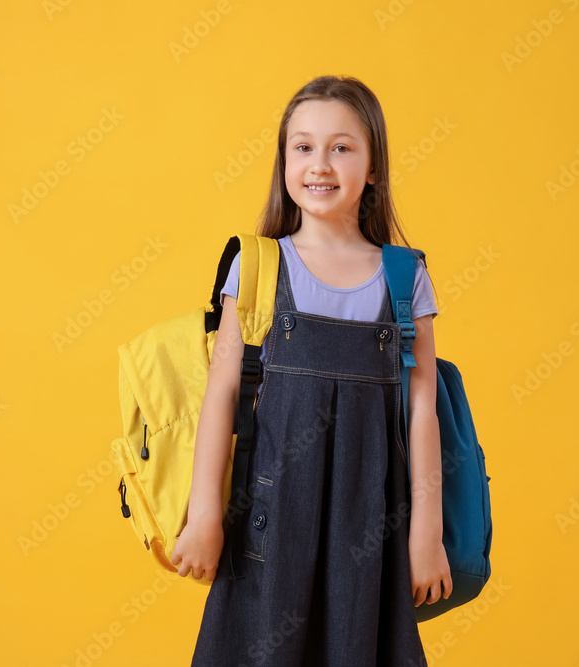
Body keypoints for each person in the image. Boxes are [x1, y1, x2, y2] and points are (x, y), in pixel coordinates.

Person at [172, 74, 450, 666]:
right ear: (283, 161)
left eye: (341, 147)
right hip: (267, 526)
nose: (319, 164)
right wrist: (203, 516)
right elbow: (222, 394)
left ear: (373, 167)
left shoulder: (405, 279)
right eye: (302, 146)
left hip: (369, 525)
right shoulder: (257, 268)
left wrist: (426, 532)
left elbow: (421, 411)